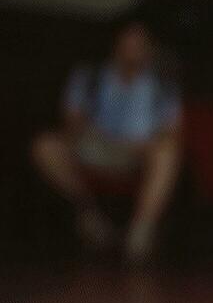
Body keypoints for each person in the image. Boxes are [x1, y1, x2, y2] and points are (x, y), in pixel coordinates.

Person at [30, 14, 182, 264]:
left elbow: (173, 132)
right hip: (95, 144)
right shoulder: (89, 76)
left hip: (139, 152)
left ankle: (140, 232)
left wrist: (147, 143)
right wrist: (88, 132)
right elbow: (71, 122)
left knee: (168, 152)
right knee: (44, 146)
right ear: (115, 43)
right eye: (129, 41)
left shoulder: (163, 84)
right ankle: (88, 214)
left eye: (141, 44)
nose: (134, 49)